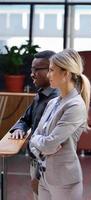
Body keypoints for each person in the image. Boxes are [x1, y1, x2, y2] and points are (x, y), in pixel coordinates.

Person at [29, 48, 91, 200]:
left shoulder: (75, 105)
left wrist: (38, 141)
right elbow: (36, 137)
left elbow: (49, 144)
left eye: (51, 70)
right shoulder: (52, 102)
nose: (48, 75)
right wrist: (37, 141)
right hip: (43, 175)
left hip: (64, 181)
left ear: (66, 73)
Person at [10, 50, 58, 199]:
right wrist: (19, 128)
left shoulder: (58, 100)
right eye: (32, 69)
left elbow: (53, 140)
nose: (32, 74)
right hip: (35, 161)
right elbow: (25, 119)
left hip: (49, 165)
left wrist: (38, 174)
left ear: (52, 70)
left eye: (37, 70)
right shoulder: (41, 95)